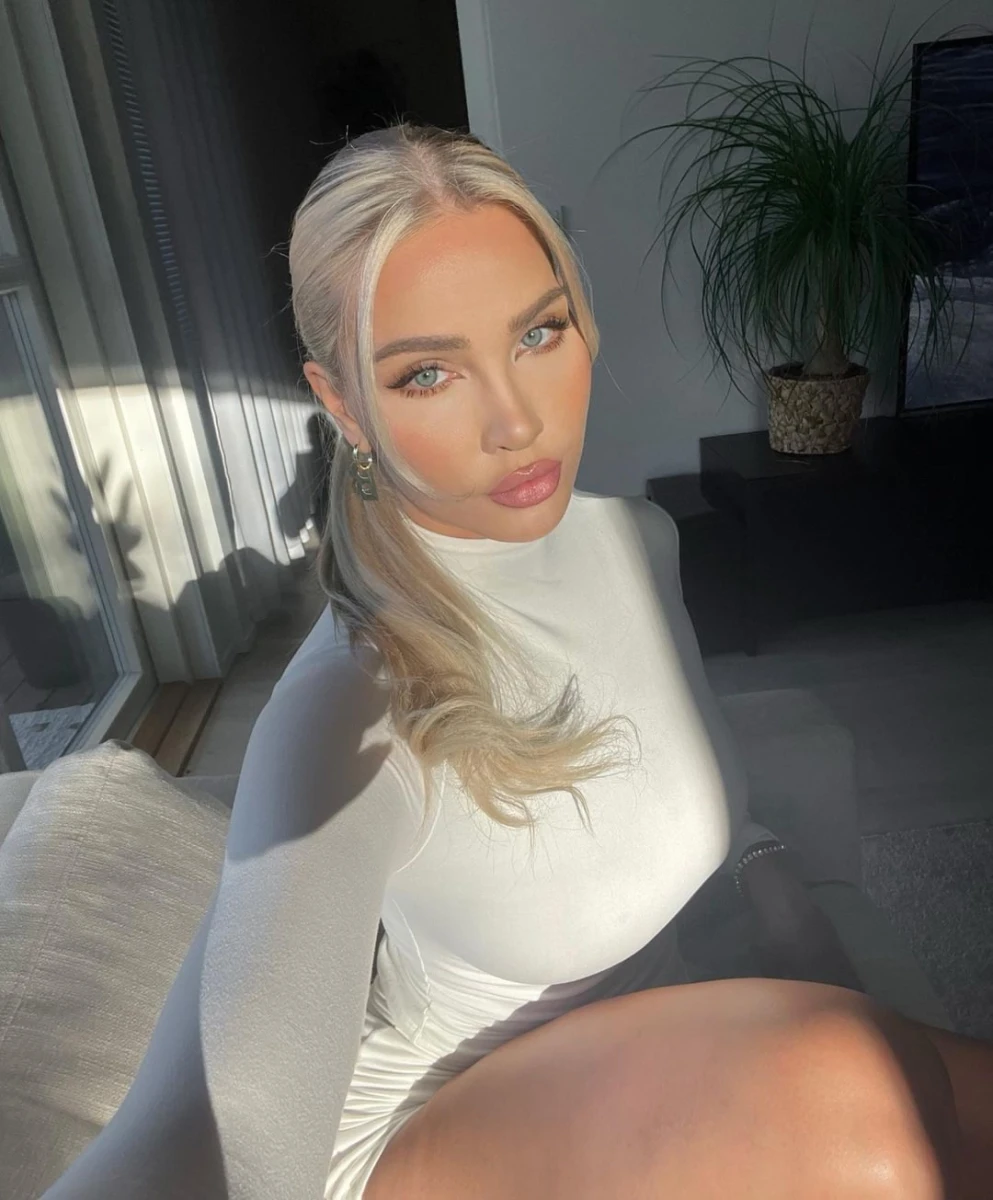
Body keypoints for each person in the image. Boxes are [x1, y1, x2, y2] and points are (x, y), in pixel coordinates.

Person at [43, 121, 993, 1200]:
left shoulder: (635, 542)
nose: (514, 421)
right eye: (428, 373)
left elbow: (708, 804)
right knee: (855, 1102)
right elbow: (223, 1119)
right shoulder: (348, 701)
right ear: (343, 403)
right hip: (425, 1129)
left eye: (538, 333)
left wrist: (787, 907)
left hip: (653, 1047)